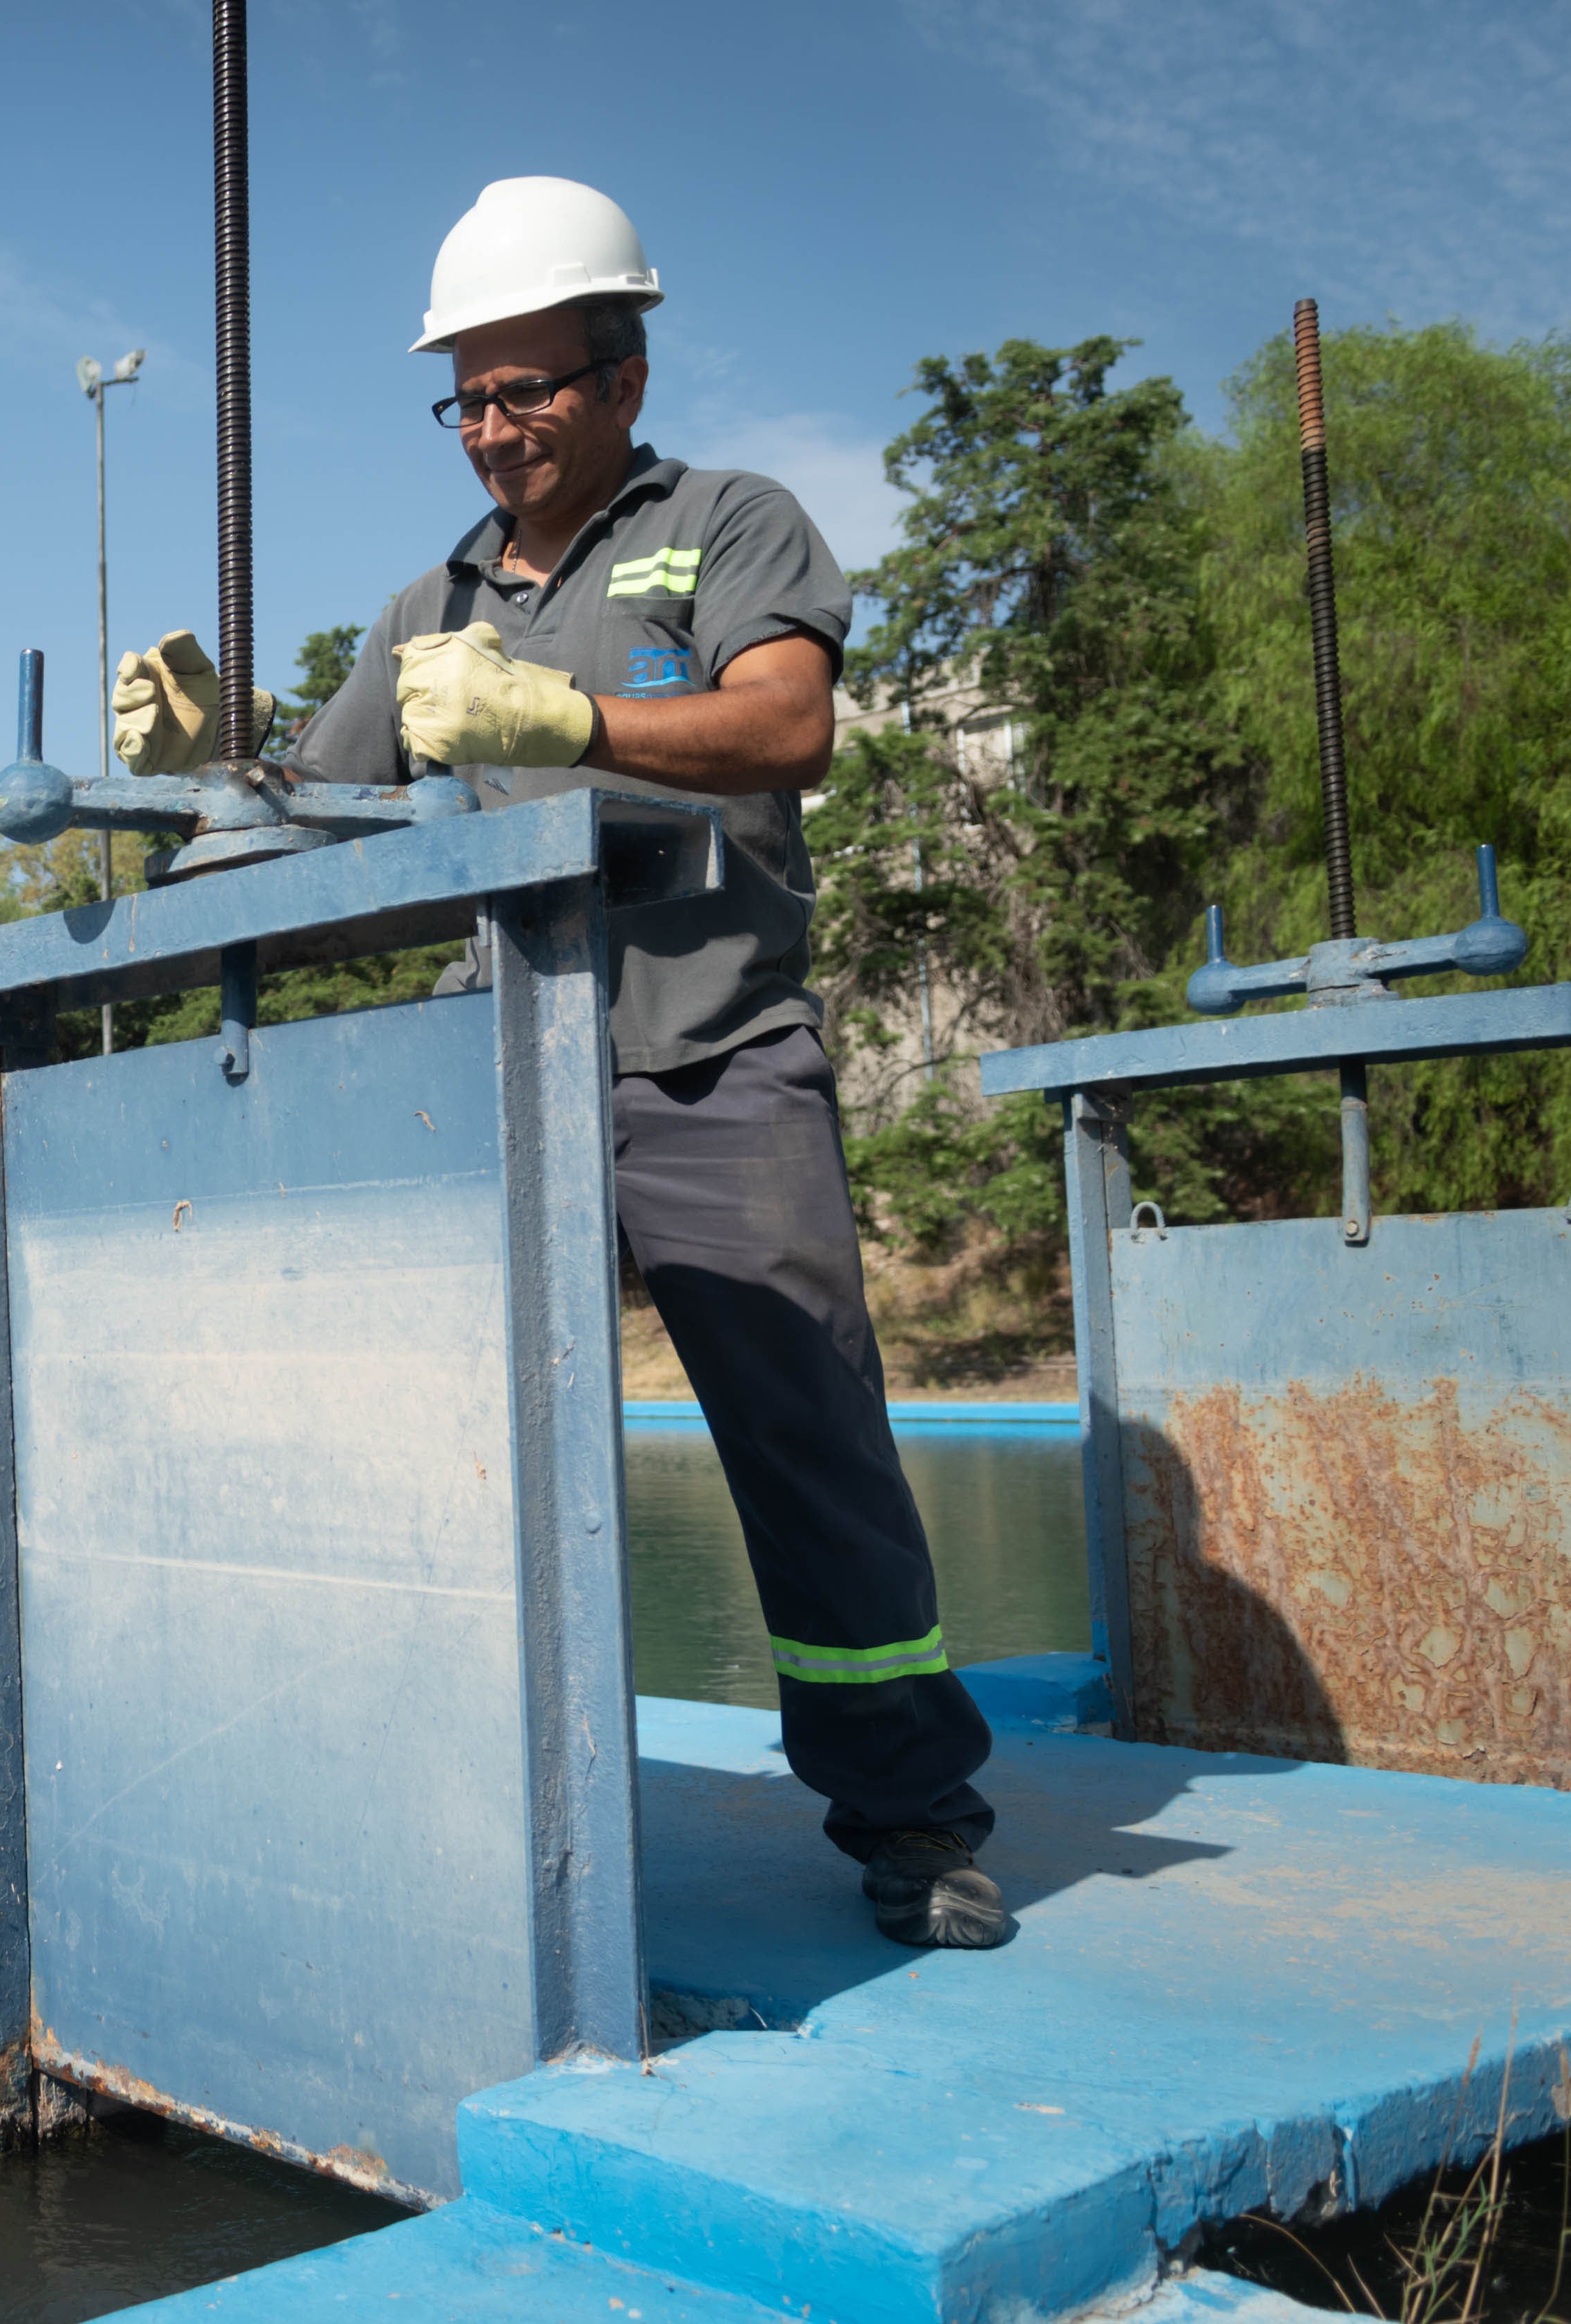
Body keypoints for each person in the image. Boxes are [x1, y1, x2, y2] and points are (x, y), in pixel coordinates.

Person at [110, 176, 1007, 1950]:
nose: (496, 432)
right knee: (430, 1446)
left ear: (623, 370)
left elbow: (787, 723)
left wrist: (569, 719)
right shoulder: (428, 604)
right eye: (468, 398)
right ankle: (435, 1800)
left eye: (529, 391)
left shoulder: (730, 522)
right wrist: (205, 754)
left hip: (714, 1062)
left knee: (806, 1436)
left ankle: (911, 1813)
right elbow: (307, 825)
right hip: (506, 1079)